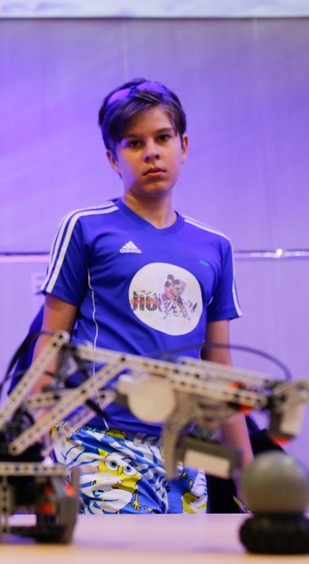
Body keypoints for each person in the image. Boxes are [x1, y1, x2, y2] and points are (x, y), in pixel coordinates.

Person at [34, 78, 252, 515]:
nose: (151, 152)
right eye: (134, 143)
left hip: (185, 453)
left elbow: (219, 370)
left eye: (162, 138)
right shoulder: (86, 227)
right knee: (123, 562)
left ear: (183, 146)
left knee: (185, 562)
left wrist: (249, 476)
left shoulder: (215, 247)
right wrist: (33, 446)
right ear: (112, 158)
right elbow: (50, 343)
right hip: (97, 443)